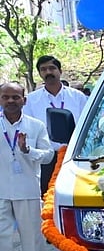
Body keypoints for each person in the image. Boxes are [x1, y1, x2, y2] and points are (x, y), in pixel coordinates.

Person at [0, 82, 55, 251]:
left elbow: (49, 154)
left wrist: (27, 150)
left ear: (25, 99)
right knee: (2, 238)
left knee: (31, 236)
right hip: (2, 189)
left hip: (28, 187)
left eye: (15, 97)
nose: (11, 101)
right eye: (6, 97)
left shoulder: (35, 125)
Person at [23, 55, 87, 195]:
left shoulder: (78, 97)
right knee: (48, 195)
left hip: (73, 154)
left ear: (60, 71)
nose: (48, 72)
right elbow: (28, 129)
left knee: (74, 193)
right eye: (43, 69)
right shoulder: (31, 100)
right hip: (47, 157)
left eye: (52, 68)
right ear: (40, 73)